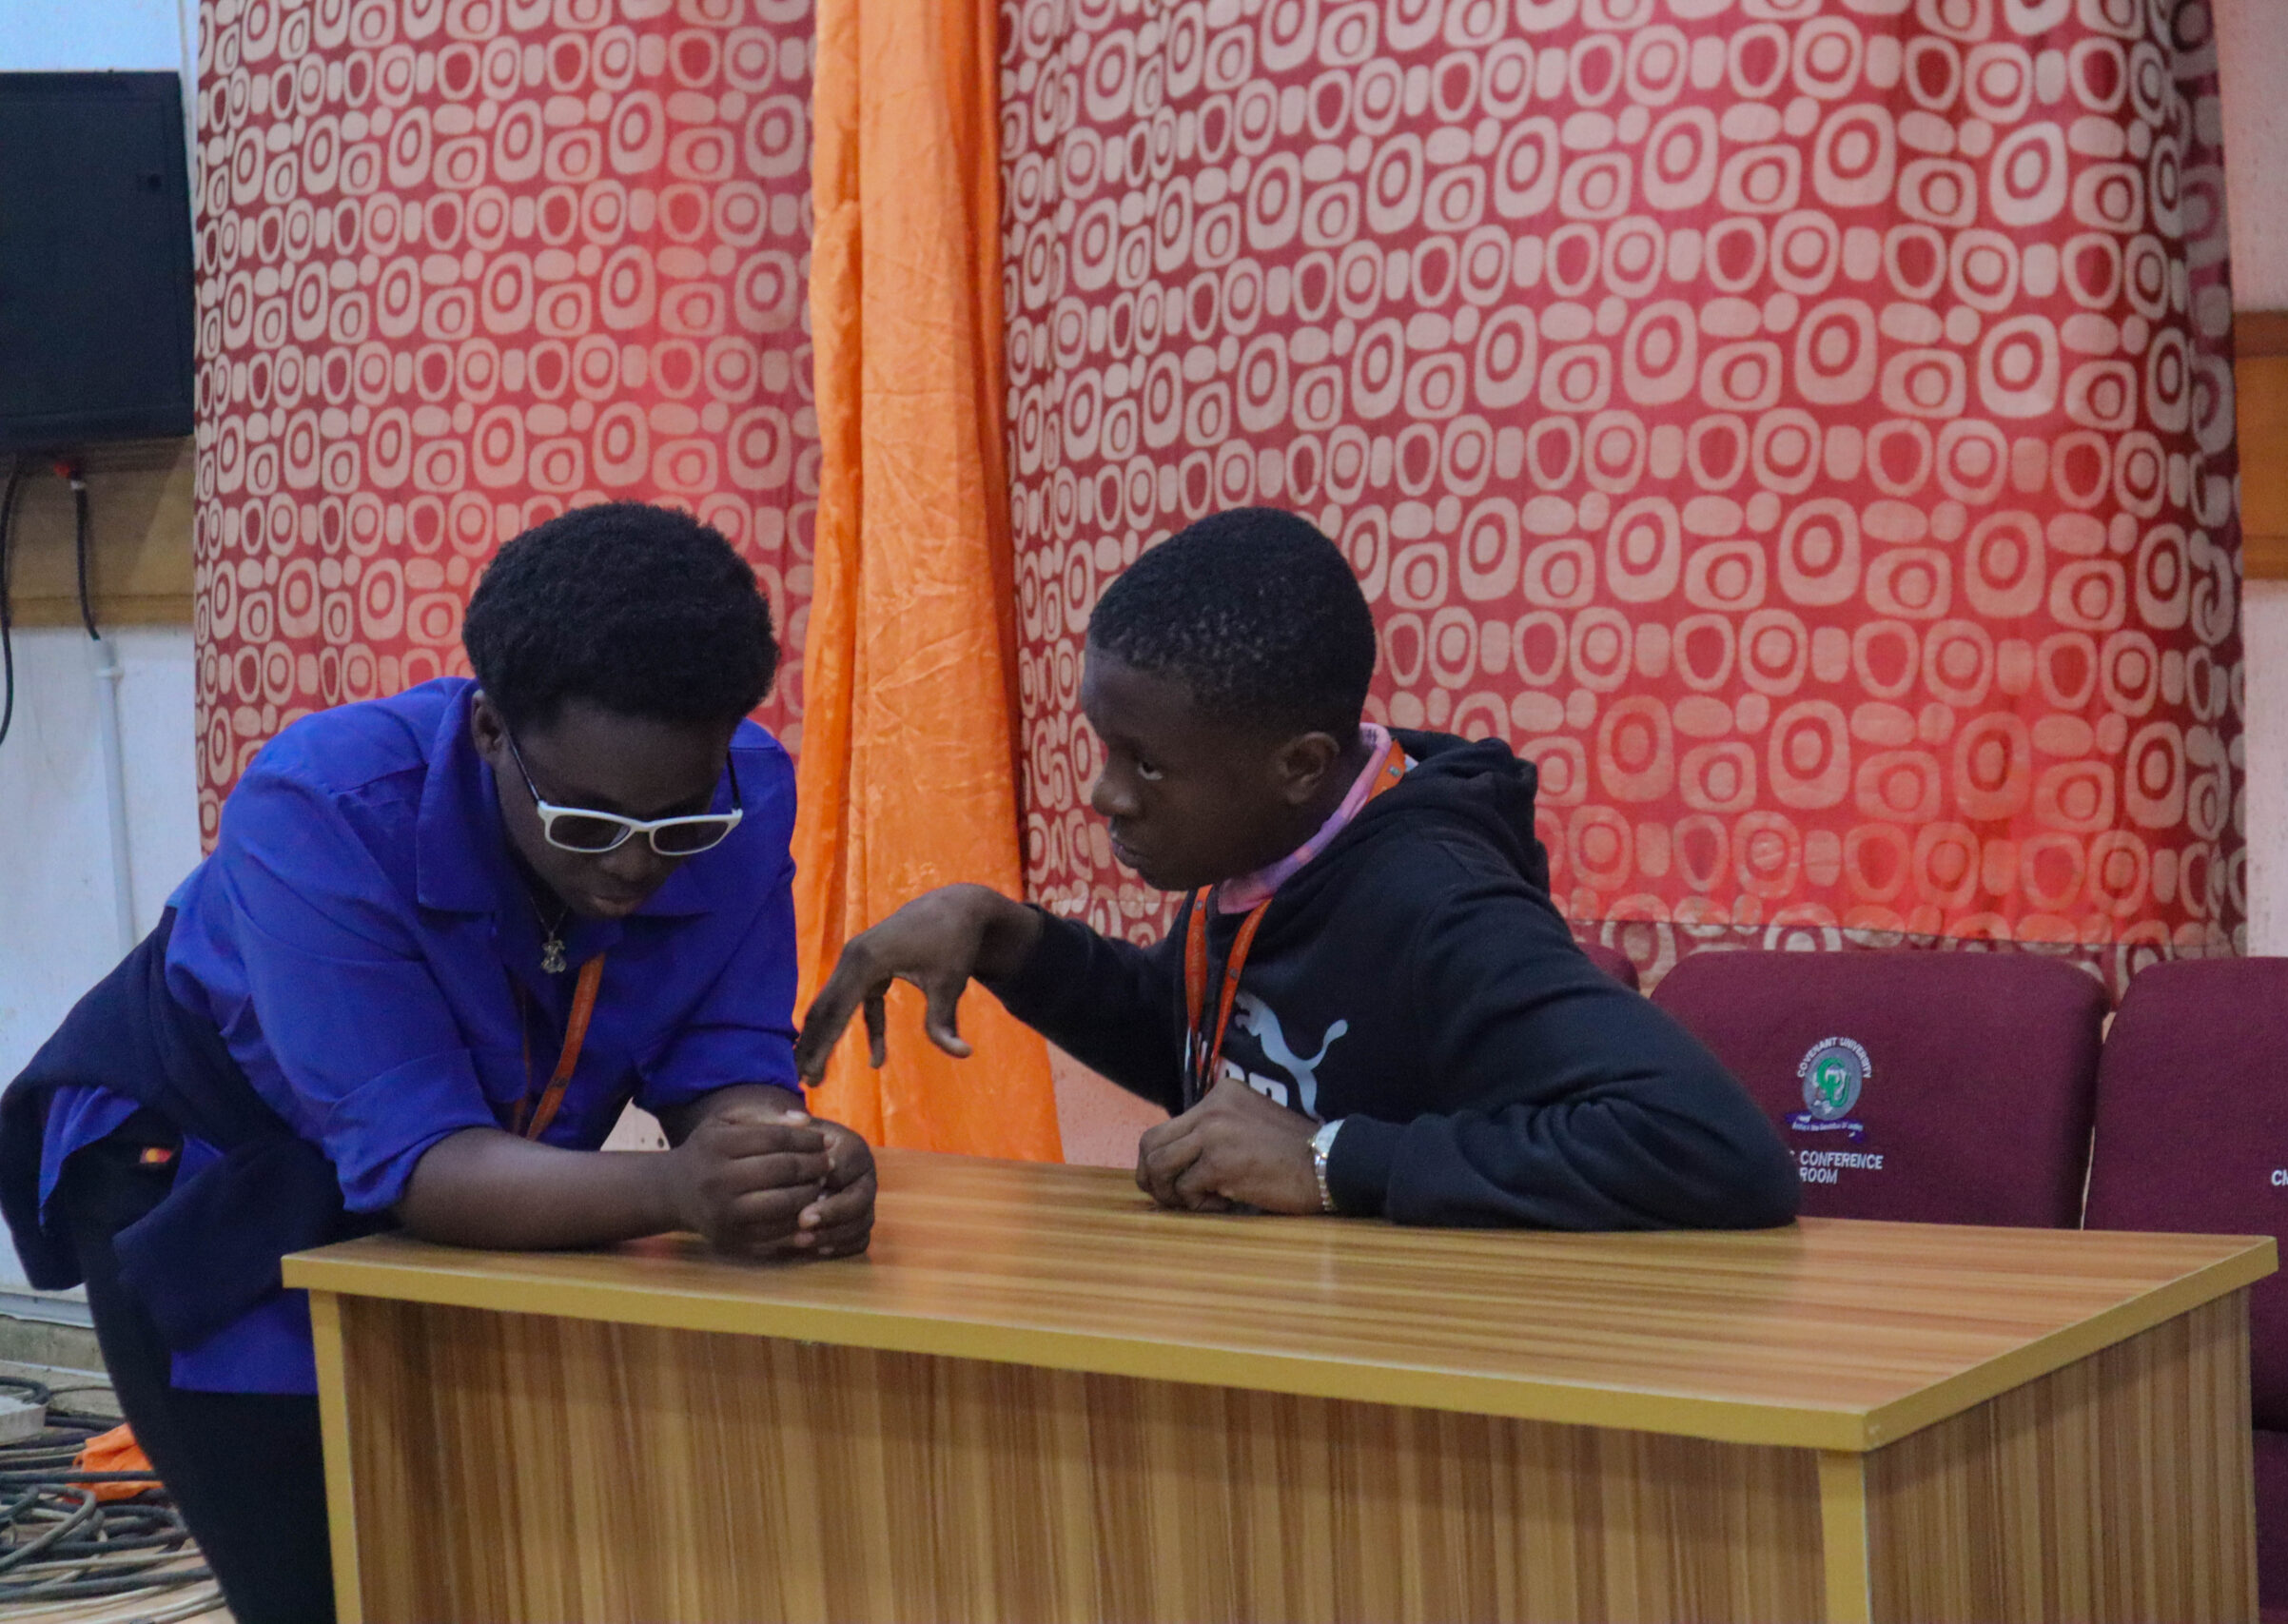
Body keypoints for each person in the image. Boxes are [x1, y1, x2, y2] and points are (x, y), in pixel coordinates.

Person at [0, 503, 875, 1624]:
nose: (634, 864)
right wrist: (678, 1189)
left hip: (482, 1167)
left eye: (678, 825)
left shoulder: (742, 793)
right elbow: (424, 1164)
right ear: (491, 731)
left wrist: (781, 1161)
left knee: (498, 1562)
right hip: (211, 1166)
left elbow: (724, 1066)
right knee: (321, 1580)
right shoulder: (322, 805)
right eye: (589, 822)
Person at [798, 507, 1797, 1230]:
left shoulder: (1441, 906)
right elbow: (1202, 1046)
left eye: (1146, 764)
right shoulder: (1264, 855)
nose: (1105, 794)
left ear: (1300, 766)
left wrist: (1331, 1161)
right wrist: (1009, 940)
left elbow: (1717, 1149)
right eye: (1105, 748)